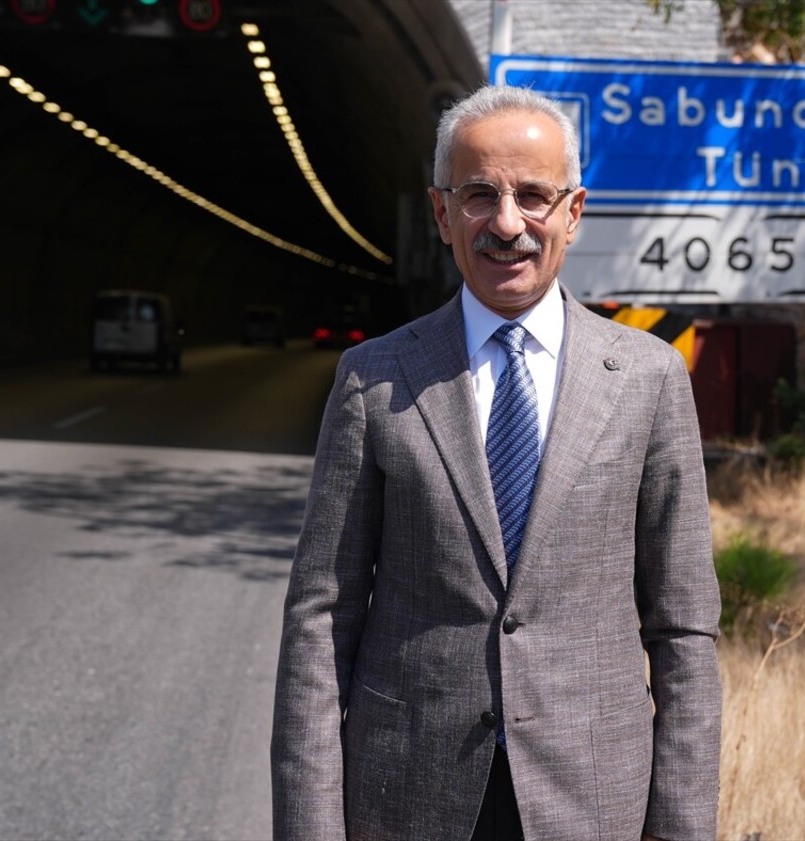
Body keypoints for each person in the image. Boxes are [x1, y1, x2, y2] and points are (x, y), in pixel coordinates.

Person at [271, 84, 721, 841]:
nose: (507, 223)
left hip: (593, 801)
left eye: (533, 196)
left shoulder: (647, 378)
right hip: (407, 799)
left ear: (573, 213)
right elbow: (320, 619)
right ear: (442, 213)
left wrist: (679, 829)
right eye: (479, 195)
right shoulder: (375, 378)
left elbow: (683, 629)